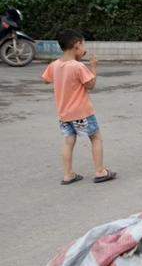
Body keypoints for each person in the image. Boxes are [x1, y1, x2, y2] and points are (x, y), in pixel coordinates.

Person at [42, 29, 116, 184]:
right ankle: (100, 171)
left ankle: (68, 174)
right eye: (83, 45)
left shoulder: (55, 65)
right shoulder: (78, 66)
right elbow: (91, 85)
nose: (84, 49)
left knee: (69, 141)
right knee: (95, 137)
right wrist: (94, 67)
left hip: (64, 113)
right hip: (82, 112)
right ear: (76, 45)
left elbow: (46, 80)